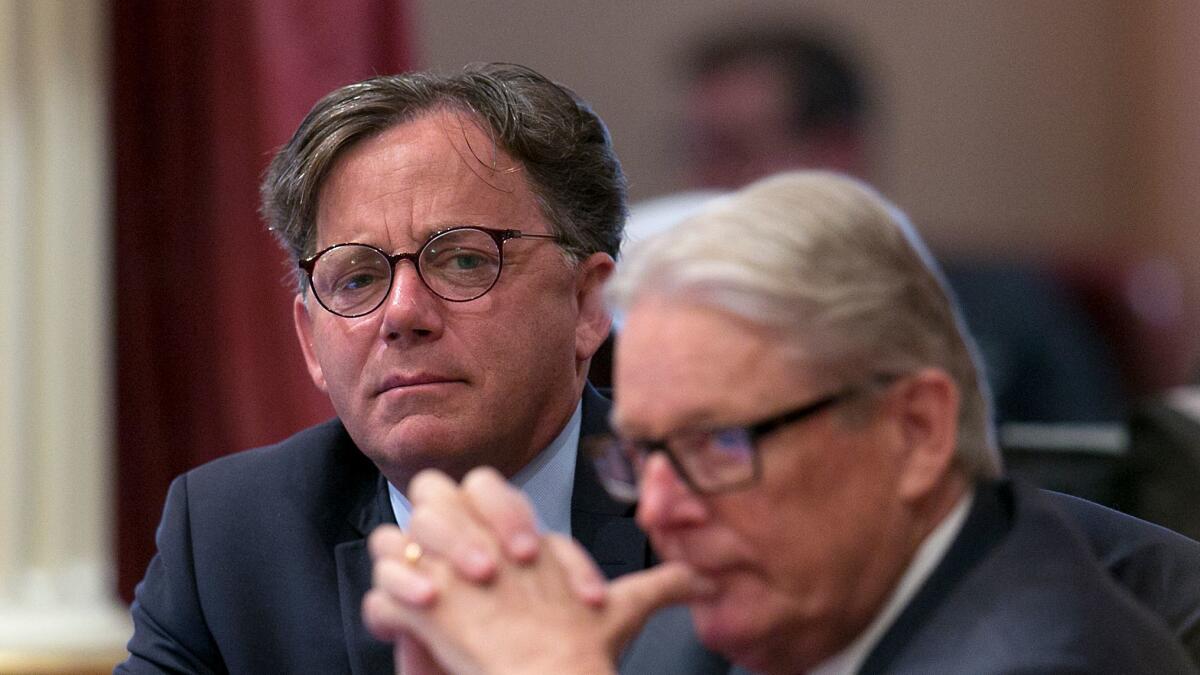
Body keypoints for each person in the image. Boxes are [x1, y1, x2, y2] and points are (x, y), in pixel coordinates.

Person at [363, 172, 1198, 673]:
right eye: (644, 453)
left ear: (915, 430)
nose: (657, 509)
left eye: (719, 443)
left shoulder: (1051, 657)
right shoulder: (705, 633)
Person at [117, 63, 724, 674]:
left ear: (588, 305)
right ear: (309, 341)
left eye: (463, 260)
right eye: (357, 278)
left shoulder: (708, 506)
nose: (403, 314)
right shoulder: (231, 536)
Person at [666, 24, 1129, 425]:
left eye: (734, 151)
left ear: (837, 154)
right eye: (697, 153)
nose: (706, 184)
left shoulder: (1003, 312)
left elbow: (1090, 489)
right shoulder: (663, 320)